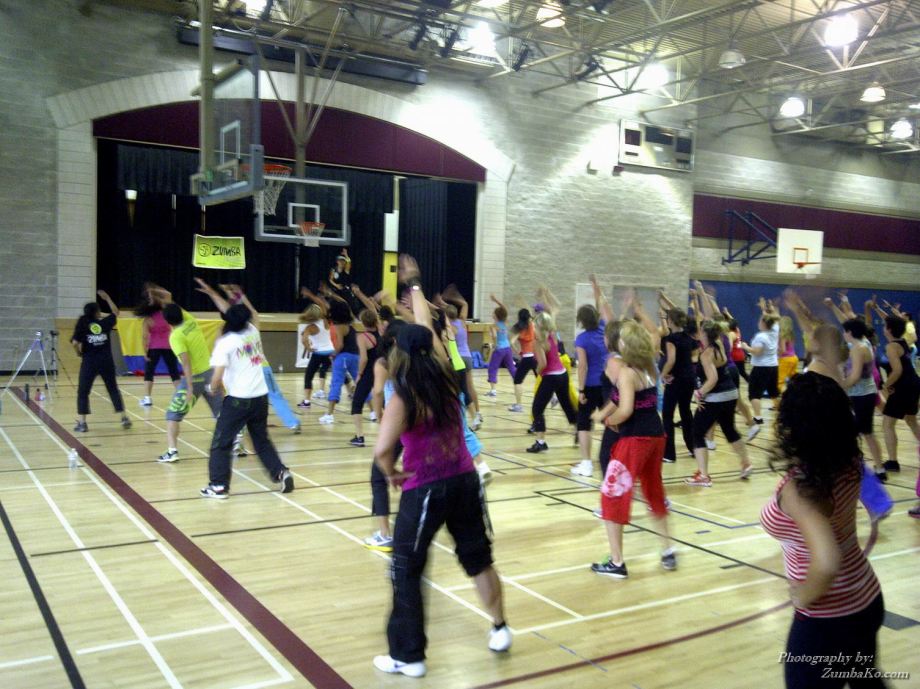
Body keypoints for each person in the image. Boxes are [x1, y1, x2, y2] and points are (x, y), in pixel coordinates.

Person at [372, 255, 509, 678]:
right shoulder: (447, 374)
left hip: (426, 488)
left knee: (406, 568)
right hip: (465, 480)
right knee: (478, 559)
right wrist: (414, 284)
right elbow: (426, 329)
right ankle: (500, 627)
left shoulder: (404, 395)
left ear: (399, 352)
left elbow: (382, 451)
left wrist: (391, 472)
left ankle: (408, 656)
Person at [760, 373, 885, 689]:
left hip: (828, 618)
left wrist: (803, 595)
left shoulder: (801, 489)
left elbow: (827, 563)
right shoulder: (850, 459)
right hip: (866, 596)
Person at [590, 320, 675, 578]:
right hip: (656, 436)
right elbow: (620, 399)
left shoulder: (627, 372)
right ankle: (668, 550)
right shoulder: (649, 367)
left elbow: (625, 410)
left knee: (612, 495)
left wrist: (609, 421)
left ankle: (616, 563)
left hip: (635, 439)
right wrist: (602, 414)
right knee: (653, 491)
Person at [200, 304, 294, 499]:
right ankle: (281, 472)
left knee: (221, 443)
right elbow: (252, 316)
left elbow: (217, 377)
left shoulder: (225, 342)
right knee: (261, 441)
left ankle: (218, 486)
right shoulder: (252, 332)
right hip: (260, 398)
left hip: (238, 400)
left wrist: (211, 388)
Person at [194, 280, 301, 434]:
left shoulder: (225, 337)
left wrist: (214, 293)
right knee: (274, 396)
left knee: (239, 401)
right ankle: (292, 423)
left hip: (243, 374)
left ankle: (240, 429)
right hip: (262, 369)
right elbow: (252, 313)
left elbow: (231, 312)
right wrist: (239, 295)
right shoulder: (251, 329)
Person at [154, 292, 223, 463]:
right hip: (211, 373)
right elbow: (170, 299)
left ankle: (172, 451)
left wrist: (190, 387)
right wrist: (160, 294)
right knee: (221, 413)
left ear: (167, 321)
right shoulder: (190, 321)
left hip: (195, 378)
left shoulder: (175, 336)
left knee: (172, 414)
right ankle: (237, 444)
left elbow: (186, 362)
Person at [685, 320, 753, 487]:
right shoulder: (720, 344)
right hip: (731, 394)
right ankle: (746, 463)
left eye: (701, 330)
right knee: (729, 429)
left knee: (697, 432)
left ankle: (704, 476)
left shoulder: (706, 354)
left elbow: (712, 379)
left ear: (705, 334)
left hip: (716, 397)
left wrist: (699, 393)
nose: (698, 332)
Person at [70, 290, 132, 432]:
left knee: (83, 391)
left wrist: (79, 352)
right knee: (113, 389)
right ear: (96, 312)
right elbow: (116, 312)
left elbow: (74, 343)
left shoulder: (82, 323)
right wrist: (107, 298)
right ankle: (124, 418)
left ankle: (82, 423)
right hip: (106, 361)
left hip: (89, 362)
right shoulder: (104, 323)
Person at [571, 275, 612, 477]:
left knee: (584, 424)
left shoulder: (581, 339)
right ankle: (615, 458)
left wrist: (581, 390)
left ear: (581, 321)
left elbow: (582, 367)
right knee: (611, 421)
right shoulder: (604, 328)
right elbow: (602, 303)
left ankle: (586, 464)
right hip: (608, 383)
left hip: (590, 385)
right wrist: (596, 286)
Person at [525, 311, 578, 453]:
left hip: (551, 377)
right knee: (566, 405)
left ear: (537, 326)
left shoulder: (538, 342)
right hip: (563, 375)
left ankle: (540, 442)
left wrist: (537, 371)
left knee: (537, 409)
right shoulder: (552, 335)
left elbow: (542, 363)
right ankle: (578, 427)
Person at [842, 319, 886, 481]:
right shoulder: (865, 342)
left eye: (845, 331)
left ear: (850, 332)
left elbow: (855, 376)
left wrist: (839, 386)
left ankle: (856, 468)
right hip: (866, 393)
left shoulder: (858, 349)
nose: (843, 334)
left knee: (860, 433)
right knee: (866, 433)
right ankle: (879, 468)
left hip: (861, 395)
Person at [880, 315, 920, 473]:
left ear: (889, 329)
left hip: (904, 387)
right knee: (911, 420)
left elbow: (897, 371)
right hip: (913, 383)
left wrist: (885, 385)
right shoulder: (903, 341)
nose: (883, 328)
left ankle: (892, 462)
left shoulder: (892, 347)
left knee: (888, 423)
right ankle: (892, 461)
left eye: (885, 326)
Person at [440, 286, 482, 430]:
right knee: (470, 387)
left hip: (457, 358)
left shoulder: (449, 328)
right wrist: (452, 298)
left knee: (455, 389)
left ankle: (456, 416)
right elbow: (464, 304)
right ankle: (477, 413)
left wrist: (441, 303)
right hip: (468, 357)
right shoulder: (462, 322)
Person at [659, 308, 697, 464]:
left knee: (667, 415)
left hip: (676, 381)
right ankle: (694, 448)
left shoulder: (671, 339)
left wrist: (662, 376)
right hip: (689, 379)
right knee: (686, 412)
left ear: (670, 321)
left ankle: (669, 454)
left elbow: (671, 360)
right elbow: (694, 355)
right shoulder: (688, 337)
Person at [135, 283, 180, 407]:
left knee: (149, 373)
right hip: (169, 346)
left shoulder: (148, 319)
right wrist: (154, 291)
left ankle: (147, 398)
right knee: (174, 372)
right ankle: (180, 396)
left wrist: (145, 352)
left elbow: (145, 337)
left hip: (154, 347)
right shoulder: (167, 314)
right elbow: (168, 295)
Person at [742, 301, 780, 425]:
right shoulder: (775, 330)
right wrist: (766, 308)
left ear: (763, 323)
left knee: (754, 394)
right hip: (773, 366)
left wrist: (746, 347)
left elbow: (757, 352)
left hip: (761, 368)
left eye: (760, 320)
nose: (758, 322)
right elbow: (772, 319)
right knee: (773, 392)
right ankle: (781, 414)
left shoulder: (761, 336)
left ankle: (758, 418)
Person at [349, 308, 383, 447]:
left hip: (368, 373)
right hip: (381, 371)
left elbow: (363, 359)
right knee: (383, 404)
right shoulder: (381, 333)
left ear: (362, 322)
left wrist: (359, 374)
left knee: (357, 403)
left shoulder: (362, 337)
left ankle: (360, 436)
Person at [297, 303, 333, 406]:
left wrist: (309, 348)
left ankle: (306, 401)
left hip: (318, 353)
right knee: (338, 373)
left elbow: (304, 340)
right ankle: (351, 391)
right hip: (330, 352)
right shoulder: (326, 321)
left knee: (309, 376)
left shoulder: (310, 327)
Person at [486, 294, 516, 397]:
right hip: (507, 348)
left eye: (493, 312)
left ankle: (493, 390)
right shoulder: (505, 322)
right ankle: (518, 383)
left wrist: (494, 346)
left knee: (492, 368)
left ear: (495, 315)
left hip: (499, 349)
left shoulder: (493, 326)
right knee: (511, 367)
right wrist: (496, 300)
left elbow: (494, 336)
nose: (492, 313)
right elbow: (504, 309)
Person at [507, 308, 537, 413]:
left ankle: (519, 405)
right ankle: (553, 397)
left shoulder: (520, 329)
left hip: (527, 357)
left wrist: (518, 352)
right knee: (543, 379)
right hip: (536, 357)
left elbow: (511, 342)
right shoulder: (532, 325)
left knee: (517, 381)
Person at [777, 316, 799, 395]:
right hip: (794, 358)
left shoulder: (782, 335)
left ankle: (786, 397)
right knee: (794, 379)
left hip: (785, 359)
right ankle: (798, 394)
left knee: (779, 382)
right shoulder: (791, 334)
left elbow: (783, 350)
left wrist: (777, 354)